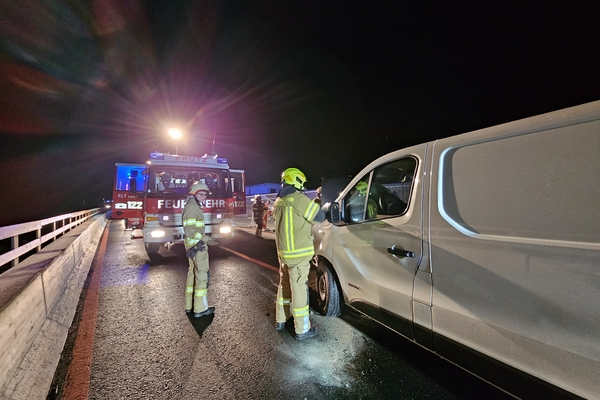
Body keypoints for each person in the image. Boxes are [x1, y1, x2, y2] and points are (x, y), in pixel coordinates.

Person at [273, 167, 325, 341]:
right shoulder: (298, 199)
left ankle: (281, 319)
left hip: (284, 253)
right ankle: (302, 329)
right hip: (299, 254)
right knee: (299, 289)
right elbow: (319, 216)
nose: (303, 186)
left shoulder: (279, 201)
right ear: (296, 180)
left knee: (284, 285)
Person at [182, 181, 215, 318]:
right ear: (194, 194)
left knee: (192, 275)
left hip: (194, 245)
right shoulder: (192, 207)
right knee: (202, 276)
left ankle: (190, 306)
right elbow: (190, 230)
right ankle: (200, 309)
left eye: (205, 195)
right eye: (201, 194)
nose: (204, 197)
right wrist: (206, 239)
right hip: (197, 246)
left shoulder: (193, 205)